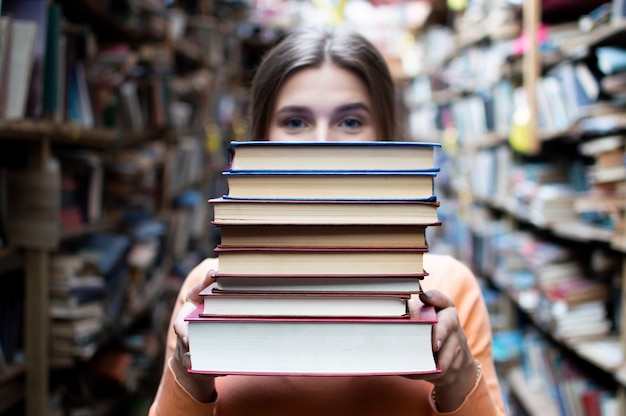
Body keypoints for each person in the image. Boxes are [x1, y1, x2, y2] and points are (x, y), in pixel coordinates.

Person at [149, 26, 506, 416]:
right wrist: (191, 379)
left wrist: (457, 379)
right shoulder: (206, 294)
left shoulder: (450, 288)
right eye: (295, 122)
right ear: (260, 140)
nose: (322, 143)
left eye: (351, 122)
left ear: (386, 137)